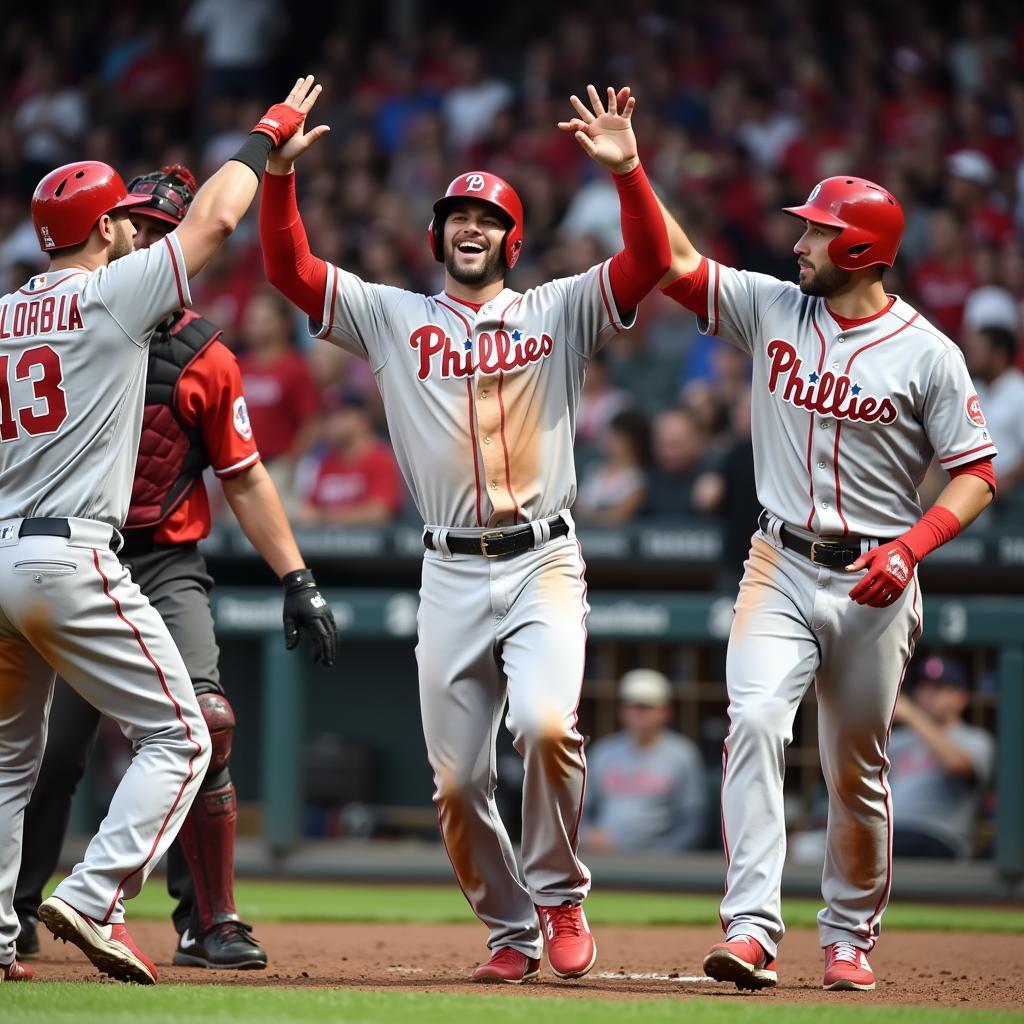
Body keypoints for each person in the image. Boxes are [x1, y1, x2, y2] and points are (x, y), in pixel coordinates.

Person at [260, 82, 669, 984]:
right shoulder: (395, 318)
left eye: (488, 216)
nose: (470, 227)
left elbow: (648, 263)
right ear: (438, 234)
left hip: (544, 558)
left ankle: (559, 893)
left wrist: (629, 171)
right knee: (454, 785)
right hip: (447, 568)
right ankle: (509, 928)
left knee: (550, 724)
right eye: (457, 216)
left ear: (511, 239)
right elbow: (290, 274)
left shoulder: (557, 308)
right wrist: (279, 178)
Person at [636, 168, 998, 991]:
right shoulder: (772, 307)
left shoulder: (929, 354)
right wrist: (629, 170)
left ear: (861, 248)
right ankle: (753, 929)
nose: (799, 243)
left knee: (856, 767)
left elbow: (976, 472)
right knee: (756, 720)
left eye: (818, 232)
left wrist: (915, 545)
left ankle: (848, 936)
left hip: (878, 574)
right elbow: (673, 260)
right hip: (779, 560)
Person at [0, 74, 322, 985]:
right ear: (107, 231)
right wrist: (268, 132)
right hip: (71, 555)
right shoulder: (110, 298)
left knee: (7, 763)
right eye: (121, 222)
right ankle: (95, 894)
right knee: (183, 735)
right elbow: (217, 221)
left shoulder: (4, 315)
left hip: (0, 551)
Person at [582, 669, 707, 853]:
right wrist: (587, 834)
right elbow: (581, 812)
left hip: (656, 863)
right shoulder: (604, 751)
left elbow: (694, 822)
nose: (640, 713)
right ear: (622, 710)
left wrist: (661, 856)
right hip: (605, 855)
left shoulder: (683, 754)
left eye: (648, 707)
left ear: (665, 711)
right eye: (633, 706)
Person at [889, 655, 994, 860]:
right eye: (923, 687)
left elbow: (956, 764)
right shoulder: (897, 740)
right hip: (887, 832)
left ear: (960, 698)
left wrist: (912, 715)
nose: (928, 695)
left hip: (936, 836)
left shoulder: (975, 739)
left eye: (939, 689)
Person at [294, 392, 404, 525]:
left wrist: (323, 517)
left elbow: (379, 512)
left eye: (339, 416)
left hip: (369, 542)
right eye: (327, 418)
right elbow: (307, 510)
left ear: (361, 420)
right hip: (328, 542)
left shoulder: (381, 459)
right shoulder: (326, 462)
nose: (330, 424)